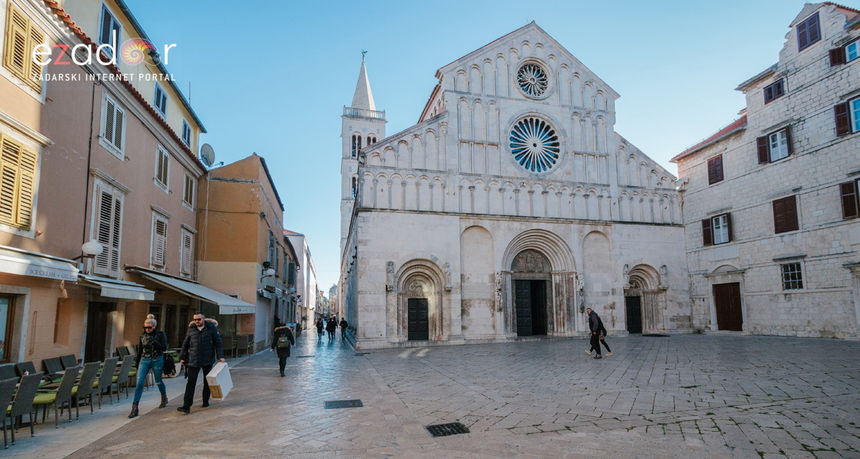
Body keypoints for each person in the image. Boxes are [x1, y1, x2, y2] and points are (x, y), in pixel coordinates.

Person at [177, 312, 225, 414]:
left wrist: (220, 356)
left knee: (207, 382)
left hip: (207, 360)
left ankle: (205, 401)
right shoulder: (191, 329)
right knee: (191, 383)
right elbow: (185, 344)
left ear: (204, 319)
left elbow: (218, 343)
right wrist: (182, 357)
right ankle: (186, 406)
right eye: (195, 319)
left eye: (199, 319)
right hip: (193, 360)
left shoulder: (211, 328)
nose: (197, 321)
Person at [128, 316, 168, 418]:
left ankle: (164, 397)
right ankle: (135, 407)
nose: (147, 329)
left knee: (158, 380)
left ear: (154, 326)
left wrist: (154, 341)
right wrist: (137, 363)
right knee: (140, 382)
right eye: (145, 327)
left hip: (157, 359)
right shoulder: (142, 336)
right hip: (144, 360)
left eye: (149, 327)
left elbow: (164, 347)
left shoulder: (160, 334)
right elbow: (140, 350)